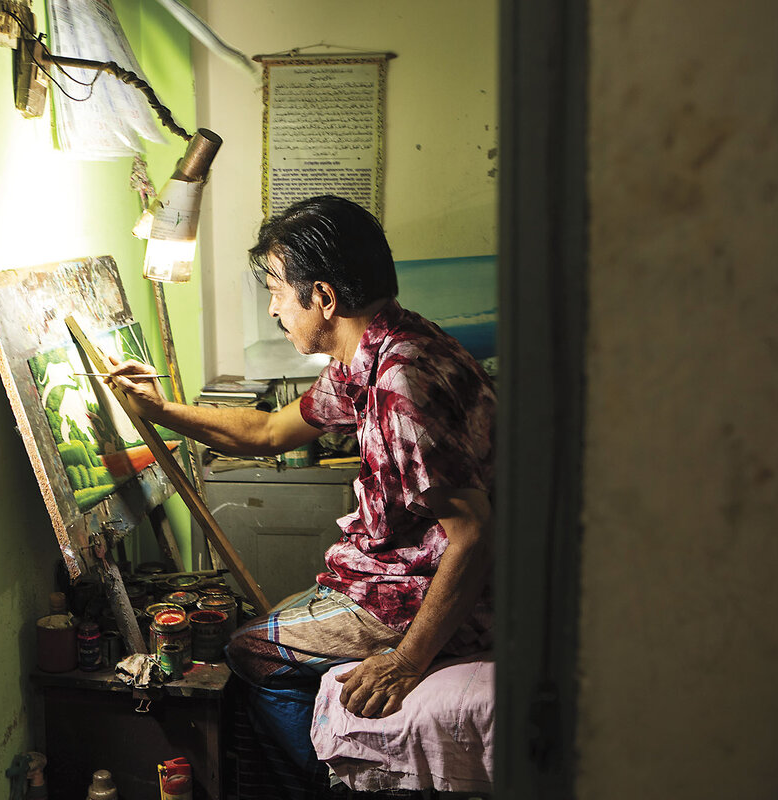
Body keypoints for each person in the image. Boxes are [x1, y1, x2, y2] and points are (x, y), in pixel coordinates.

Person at [107, 195, 495, 795]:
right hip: (387, 573)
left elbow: (474, 536)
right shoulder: (374, 350)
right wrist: (159, 411)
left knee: (250, 650)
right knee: (274, 617)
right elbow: (267, 432)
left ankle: (323, 785)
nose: (273, 310)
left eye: (278, 291)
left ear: (324, 297)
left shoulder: (401, 385)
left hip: (416, 593)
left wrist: (406, 661)